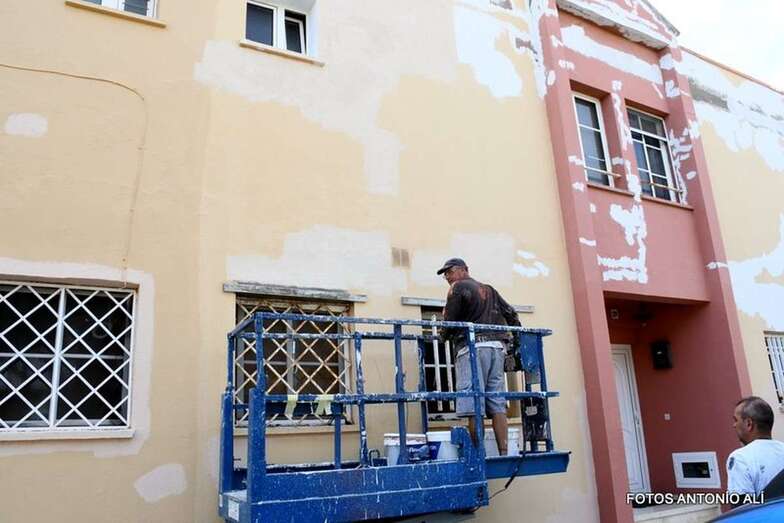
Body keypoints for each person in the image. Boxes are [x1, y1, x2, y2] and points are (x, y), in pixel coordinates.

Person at [437, 257, 521, 455]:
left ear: (464, 270)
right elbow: (511, 313)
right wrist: (515, 341)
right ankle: (503, 451)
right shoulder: (489, 289)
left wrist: (443, 338)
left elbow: (450, 322)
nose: (448, 277)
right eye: (446, 274)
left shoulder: (457, 288)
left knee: (474, 402)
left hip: (473, 349)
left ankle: (477, 454)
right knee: (497, 403)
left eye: (450, 271)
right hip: (497, 348)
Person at [726, 396, 784, 504]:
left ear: (749, 424)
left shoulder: (740, 458)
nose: (734, 425)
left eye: (736, 420)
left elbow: (742, 508)